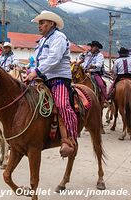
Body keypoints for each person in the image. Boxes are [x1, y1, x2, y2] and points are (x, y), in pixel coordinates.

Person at [24, 10, 77, 157]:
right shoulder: (42, 41)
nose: (39, 26)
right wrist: (30, 72)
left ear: (51, 23)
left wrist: (36, 72)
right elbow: (38, 61)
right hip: (43, 78)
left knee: (62, 104)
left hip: (59, 78)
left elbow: (54, 58)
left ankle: (69, 138)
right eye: (39, 23)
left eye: (42, 23)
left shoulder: (59, 37)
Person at [79, 41, 108, 105]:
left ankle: (105, 99)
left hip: (94, 73)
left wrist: (93, 66)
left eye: (93, 47)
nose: (91, 48)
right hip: (84, 72)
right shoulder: (88, 54)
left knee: (101, 85)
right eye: (91, 47)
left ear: (97, 48)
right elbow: (80, 57)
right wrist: (84, 53)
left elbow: (99, 64)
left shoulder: (100, 55)